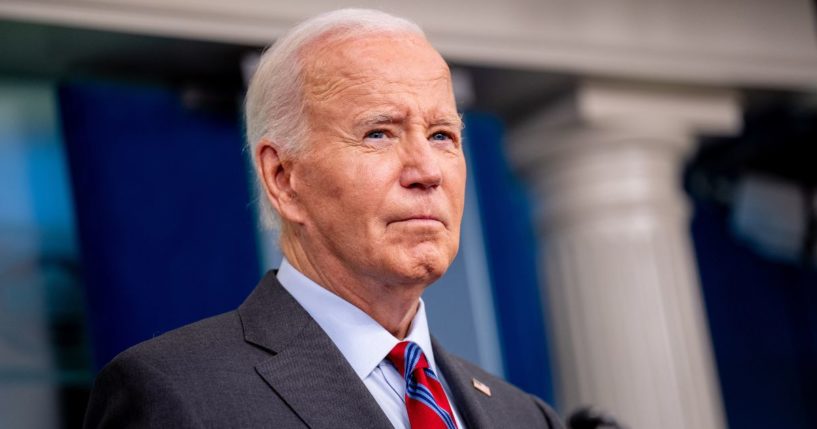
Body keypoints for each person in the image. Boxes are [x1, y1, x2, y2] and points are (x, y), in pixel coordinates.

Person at [83, 8, 564, 429]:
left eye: (442, 135)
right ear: (284, 178)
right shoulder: (179, 393)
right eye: (379, 133)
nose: (427, 171)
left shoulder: (523, 416)